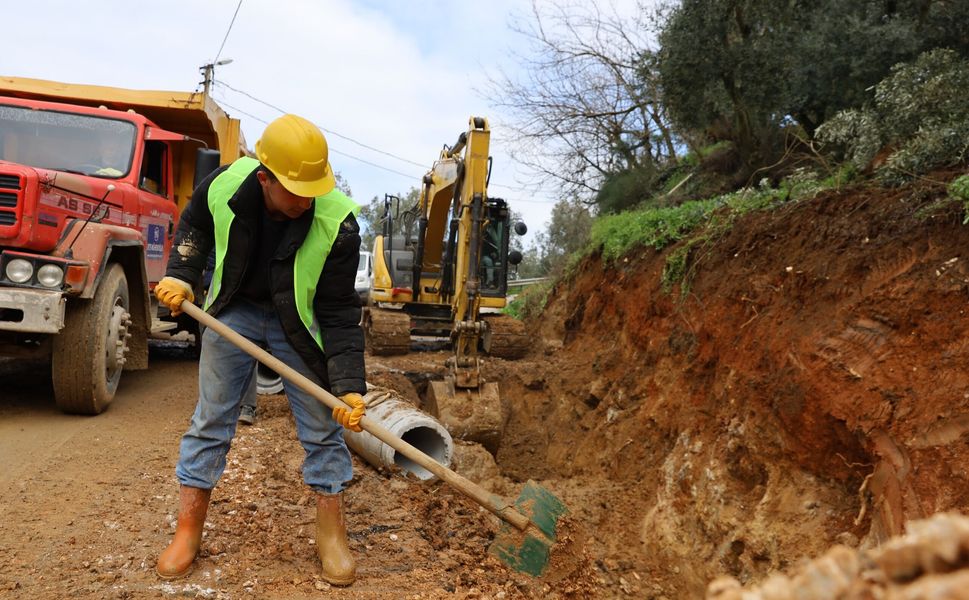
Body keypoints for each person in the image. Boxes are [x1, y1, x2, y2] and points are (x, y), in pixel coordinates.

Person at [153, 114, 367, 586]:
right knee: (211, 421)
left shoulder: (338, 223)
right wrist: (181, 274)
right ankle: (188, 531)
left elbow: (337, 309)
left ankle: (331, 535)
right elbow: (194, 226)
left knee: (323, 428)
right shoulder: (224, 185)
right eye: (295, 191)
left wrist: (349, 385)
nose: (306, 201)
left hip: (298, 324)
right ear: (264, 177)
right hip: (233, 312)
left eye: (312, 190)